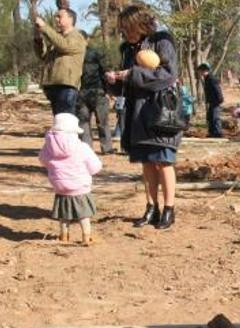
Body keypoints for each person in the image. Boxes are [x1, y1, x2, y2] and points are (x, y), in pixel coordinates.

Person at [106, 4, 181, 230]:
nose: (124, 33)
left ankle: (169, 209)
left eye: (127, 28)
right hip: (136, 113)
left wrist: (133, 74)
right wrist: (115, 80)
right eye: (122, 29)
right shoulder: (126, 49)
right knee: (147, 163)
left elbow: (168, 75)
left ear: (140, 24)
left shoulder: (162, 41)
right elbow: (128, 84)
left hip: (160, 111)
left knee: (163, 160)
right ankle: (151, 208)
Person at [39, 113, 102, 246]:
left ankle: (64, 235)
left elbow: (43, 161)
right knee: (83, 214)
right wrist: (88, 173)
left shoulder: (48, 147)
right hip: (80, 187)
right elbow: (95, 166)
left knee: (64, 214)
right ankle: (86, 236)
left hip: (60, 187)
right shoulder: (82, 147)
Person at [34, 7, 86, 116]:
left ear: (70, 19)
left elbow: (64, 46)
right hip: (54, 85)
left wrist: (44, 27)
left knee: (65, 121)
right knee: (59, 121)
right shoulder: (57, 39)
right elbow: (43, 56)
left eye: (59, 16)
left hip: (66, 86)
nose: (56, 19)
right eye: (56, 17)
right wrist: (38, 39)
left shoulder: (77, 37)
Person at [77, 31, 114, 154]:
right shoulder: (72, 55)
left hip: (98, 92)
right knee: (83, 122)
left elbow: (106, 71)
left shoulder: (96, 53)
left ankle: (107, 148)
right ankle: (86, 148)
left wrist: (109, 91)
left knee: (102, 122)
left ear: (87, 39)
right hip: (80, 93)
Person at [197, 63, 223, 138]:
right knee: (210, 117)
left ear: (204, 71)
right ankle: (212, 132)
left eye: (200, 71)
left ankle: (218, 133)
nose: (199, 73)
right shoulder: (207, 78)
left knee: (215, 117)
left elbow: (217, 90)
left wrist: (219, 99)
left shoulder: (211, 79)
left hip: (216, 100)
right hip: (211, 101)